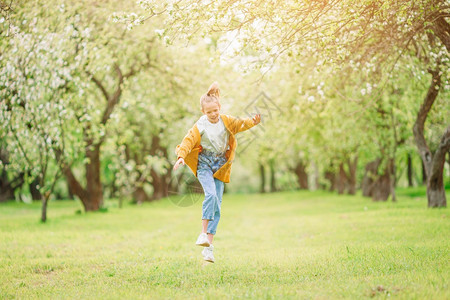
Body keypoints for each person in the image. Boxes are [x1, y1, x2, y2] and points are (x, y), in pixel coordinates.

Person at [173, 82, 261, 263]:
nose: (213, 114)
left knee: (217, 206)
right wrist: (181, 156)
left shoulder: (226, 121)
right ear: (203, 112)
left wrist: (253, 121)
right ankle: (203, 233)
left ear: (219, 107)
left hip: (220, 166)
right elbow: (188, 140)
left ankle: (208, 249)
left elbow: (241, 124)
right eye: (209, 112)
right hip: (204, 164)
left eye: (215, 110)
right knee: (211, 195)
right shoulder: (201, 125)